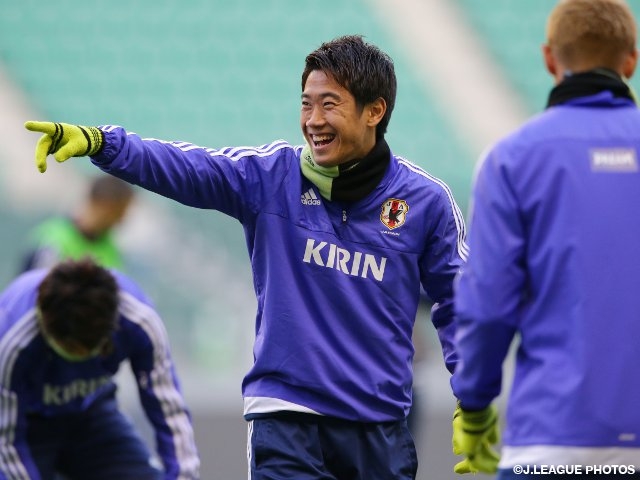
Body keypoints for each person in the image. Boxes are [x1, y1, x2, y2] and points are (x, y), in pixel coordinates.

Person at [24, 34, 468, 479]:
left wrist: (474, 398)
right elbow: (187, 167)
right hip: (286, 419)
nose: (313, 120)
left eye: (329, 104)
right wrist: (102, 143)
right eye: (306, 104)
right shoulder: (271, 177)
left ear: (375, 111)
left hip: (380, 428)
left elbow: (459, 305)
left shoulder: (425, 203)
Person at [449, 0, 640, 478]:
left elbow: (488, 304)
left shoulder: (511, 160)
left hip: (551, 443)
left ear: (550, 59)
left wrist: (474, 408)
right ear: (631, 61)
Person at [0, 258, 200, 479]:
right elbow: (6, 441)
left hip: (92, 414)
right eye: (71, 350)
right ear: (45, 326)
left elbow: (168, 409)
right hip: (27, 425)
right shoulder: (10, 338)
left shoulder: (139, 321)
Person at [20, 174, 135, 273]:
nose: (122, 220)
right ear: (103, 206)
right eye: (119, 213)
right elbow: (35, 290)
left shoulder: (110, 249)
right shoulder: (55, 240)